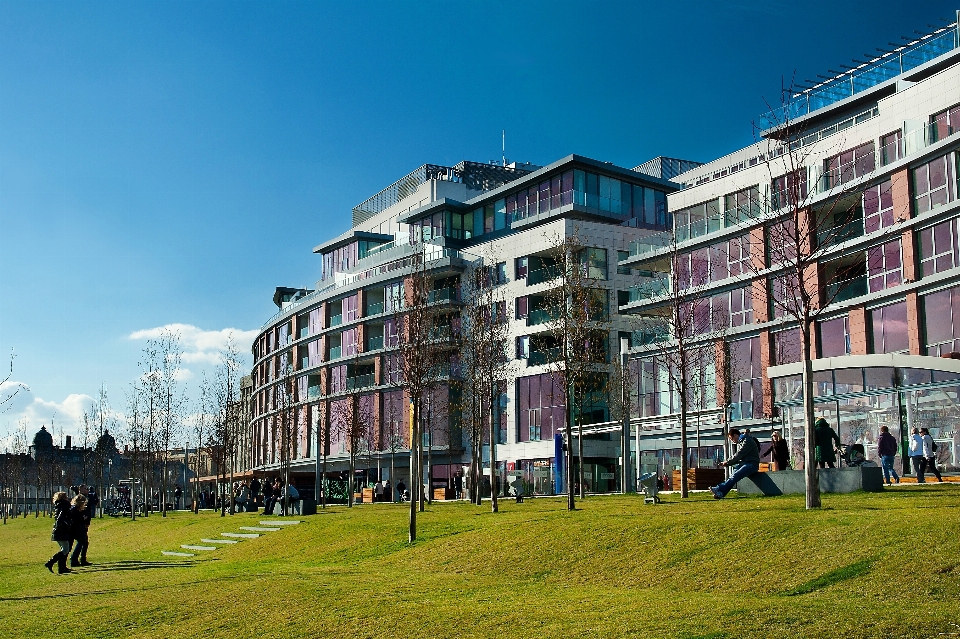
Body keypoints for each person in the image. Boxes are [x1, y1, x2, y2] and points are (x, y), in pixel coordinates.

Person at [710, 428, 760, 499]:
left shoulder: (747, 441)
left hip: (752, 464)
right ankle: (721, 493)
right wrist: (727, 463)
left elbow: (739, 455)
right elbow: (739, 457)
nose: (732, 441)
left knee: (735, 475)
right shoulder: (741, 441)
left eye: (732, 439)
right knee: (732, 476)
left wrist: (727, 462)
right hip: (744, 463)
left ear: (736, 435)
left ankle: (719, 488)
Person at [44, 492, 73, 574]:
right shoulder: (64, 506)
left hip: (59, 530)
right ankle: (50, 562)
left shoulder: (59, 506)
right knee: (65, 549)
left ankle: (62, 568)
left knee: (64, 549)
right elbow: (61, 518)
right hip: (61, 531)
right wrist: (67, 524)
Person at [69, 493, 91, 567]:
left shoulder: (81, 509)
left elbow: (86, 517)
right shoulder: (74, 509)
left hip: (81, 528)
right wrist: (83, 519)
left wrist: (86, 522)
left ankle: (82, 559)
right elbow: (75, 520)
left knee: (84, 543)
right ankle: (74, 559)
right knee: (81, 542)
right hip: (75, 529)